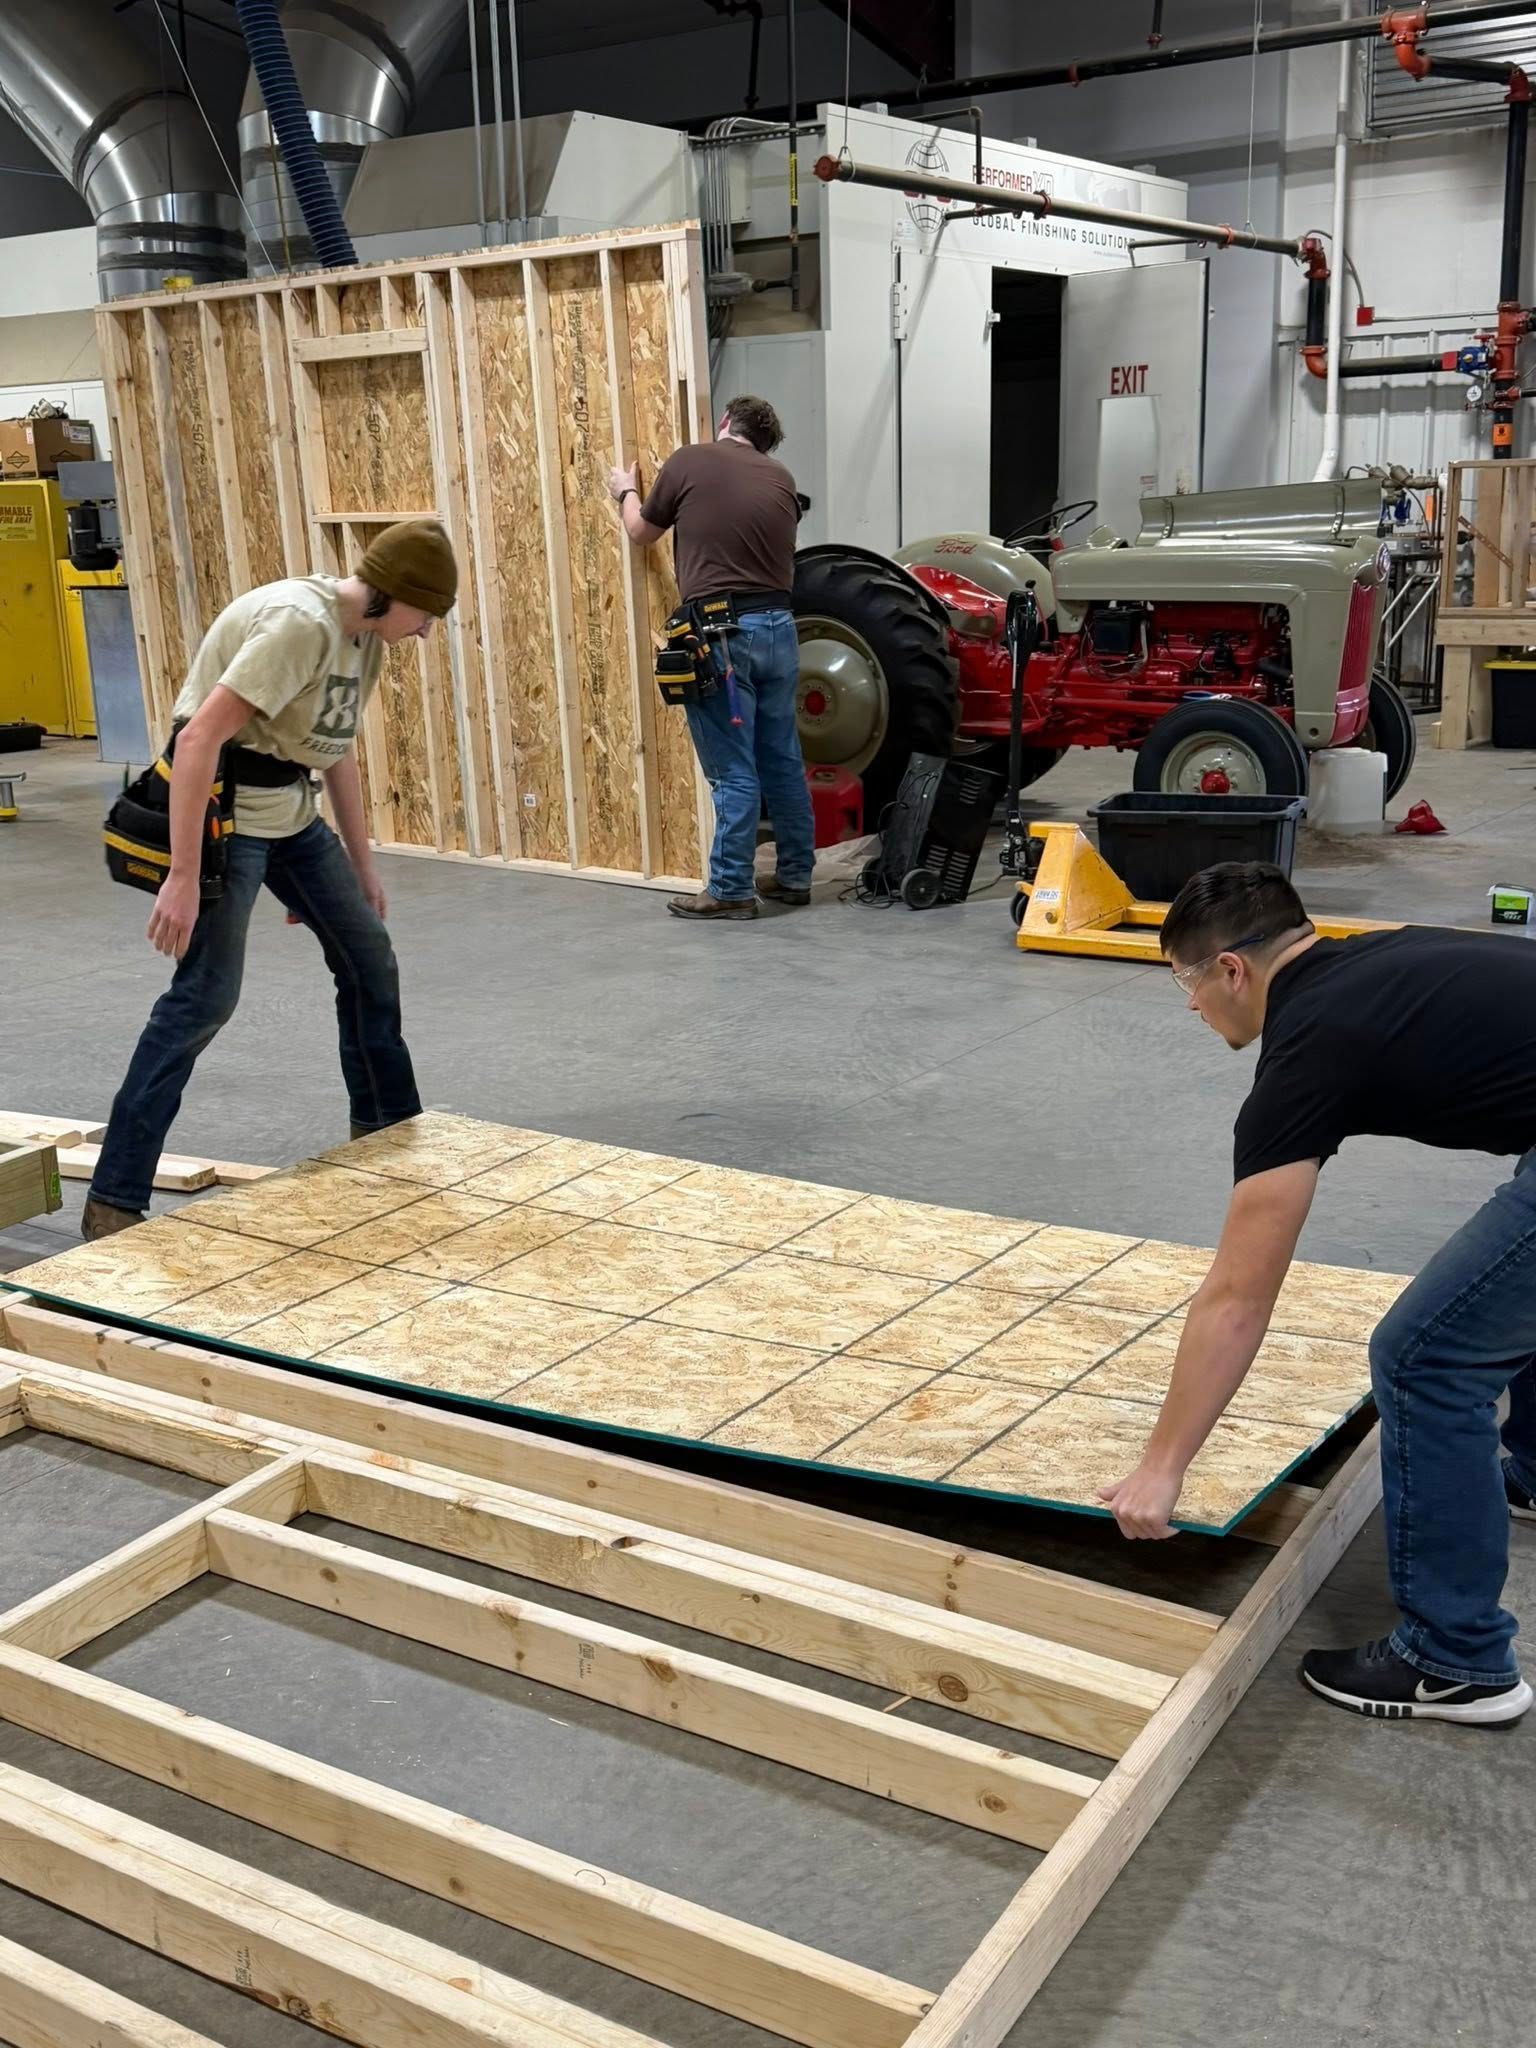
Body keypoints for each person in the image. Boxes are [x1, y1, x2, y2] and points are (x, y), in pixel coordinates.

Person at [1099, 861, 1536, 1729]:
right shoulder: (1371, 962)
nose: (1191, 1007)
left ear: (1232, 970)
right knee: (1503, 1295)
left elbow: (1237, 1295)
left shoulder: (1306, 1052)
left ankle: (1457, 1662)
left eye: (1186, 982)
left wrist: (1161, 1467)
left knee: (1424, 1357)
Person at [82, 521, 459, 1242]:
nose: (425, 633)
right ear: (395, 595)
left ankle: (386, 1138)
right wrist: (185, 877)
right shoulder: (299, 625)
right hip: (229, 819)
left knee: (369, 959)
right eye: (426, 616)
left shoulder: (364, 639)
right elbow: (197, 739)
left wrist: (360, 864)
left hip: (290, 816)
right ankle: (115, 1198)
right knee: (204, 1000)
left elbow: (335, 751)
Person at [607, 394, 814, 921]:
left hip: (724, 634)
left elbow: (640, 532)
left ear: (726, 422)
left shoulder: (690, 460)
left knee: (733, 771)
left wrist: (626, 491)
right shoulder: (782, 479)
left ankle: (729, 889)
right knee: (783, 761)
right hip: (780, 629)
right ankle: (794, 877)